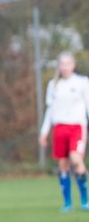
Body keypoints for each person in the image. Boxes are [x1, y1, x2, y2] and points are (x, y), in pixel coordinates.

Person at [38, 50, 89, 212]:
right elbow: (50, 110)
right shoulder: (54, 85)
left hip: (77, 127)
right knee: (63, 165)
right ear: (58, 66)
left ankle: (85, 198)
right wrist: (44, 131)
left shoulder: (82, 82)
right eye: (62, 64)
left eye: (68, 64)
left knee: (76, 159)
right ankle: (67, 202)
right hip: (59, 128)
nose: (65, 67)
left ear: (73, 65)